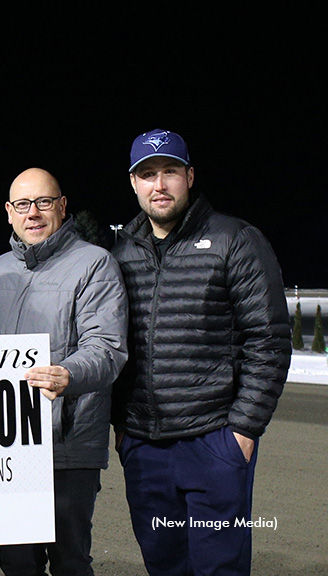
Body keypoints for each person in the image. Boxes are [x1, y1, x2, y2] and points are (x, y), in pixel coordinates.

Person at [111, 129, 291, 575]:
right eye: (147, 174)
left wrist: (242, 432)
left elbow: (268, 339)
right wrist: (122, 428)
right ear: (133, 183)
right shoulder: (120, 253)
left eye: (169, 171)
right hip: (144, 446)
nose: (159, 184)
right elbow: (113, 345)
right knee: (164, 565)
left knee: (218, 568)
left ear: (189, 176)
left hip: (213, 442)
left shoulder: (236, 239)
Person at [0, 168, 127, 576]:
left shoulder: (95, 264)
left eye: (43, 202)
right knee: (16, 561)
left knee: (70, 560)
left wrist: (67, 374)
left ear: (62, 207)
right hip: (7, 444)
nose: (33, 213)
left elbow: (107, 348)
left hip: (69, 443)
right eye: (23, 205)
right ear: (9, 213)